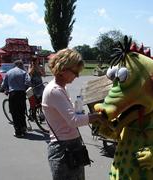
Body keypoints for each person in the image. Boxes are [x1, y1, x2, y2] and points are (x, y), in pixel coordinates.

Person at [41, 48, 106, 180]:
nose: (77, 76)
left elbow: (69, 118)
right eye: (75, 72)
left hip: (71, 145)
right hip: (63, 149)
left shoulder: (61, 88)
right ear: (63, 69)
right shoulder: (55, 90)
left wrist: (79, 112)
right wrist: (97, 116)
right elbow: (73, 121)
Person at [2, 60, 31, 138]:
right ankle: (23, 128)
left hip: (13, 94)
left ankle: (18, 132)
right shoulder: (24, 72)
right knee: (22, 111)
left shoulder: (8, 72)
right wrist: (24, 88)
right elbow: (28, 82)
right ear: (21, 65)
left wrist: (6, 90)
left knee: (14, 113)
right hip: (22, 94)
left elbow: (3, 85)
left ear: (14, 65)